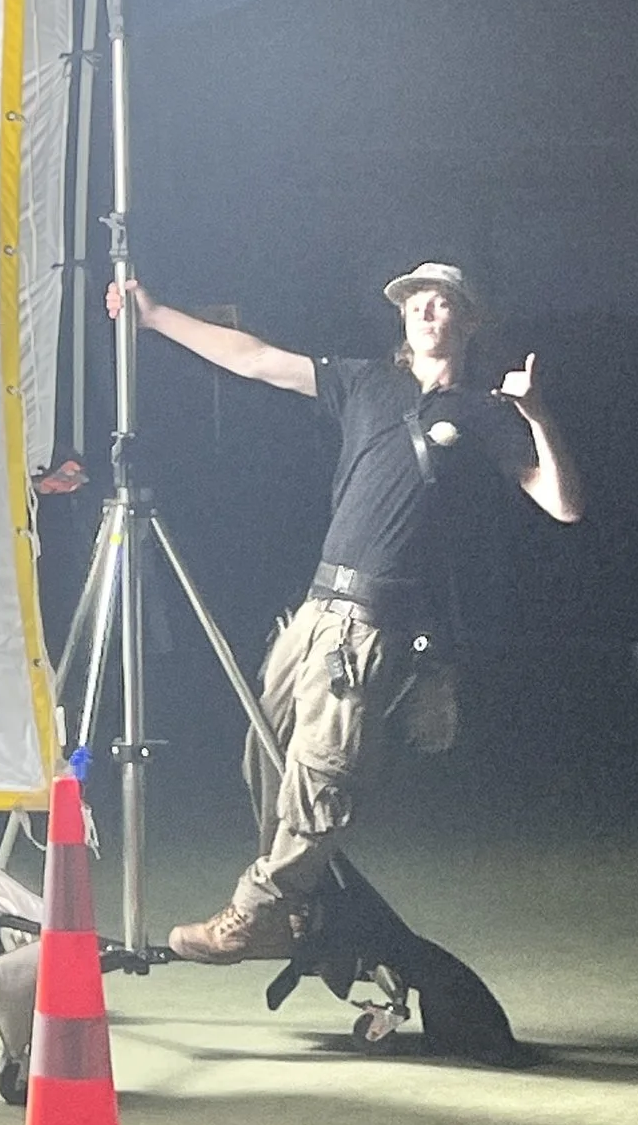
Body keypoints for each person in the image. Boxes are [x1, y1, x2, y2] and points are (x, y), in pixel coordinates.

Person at [107, 258, 583, 964]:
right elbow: (255, 359)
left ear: (468, 320)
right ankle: (296, 905)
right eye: (415, 300)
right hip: (314, 610)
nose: (426, 310)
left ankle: (258, 909)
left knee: (322, 774)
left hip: (374, 626)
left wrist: (537, 414)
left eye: (442, 301)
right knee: (263, 758)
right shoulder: (366, 381)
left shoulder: (483, 412)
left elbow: (564, 503)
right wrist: (154, 315)